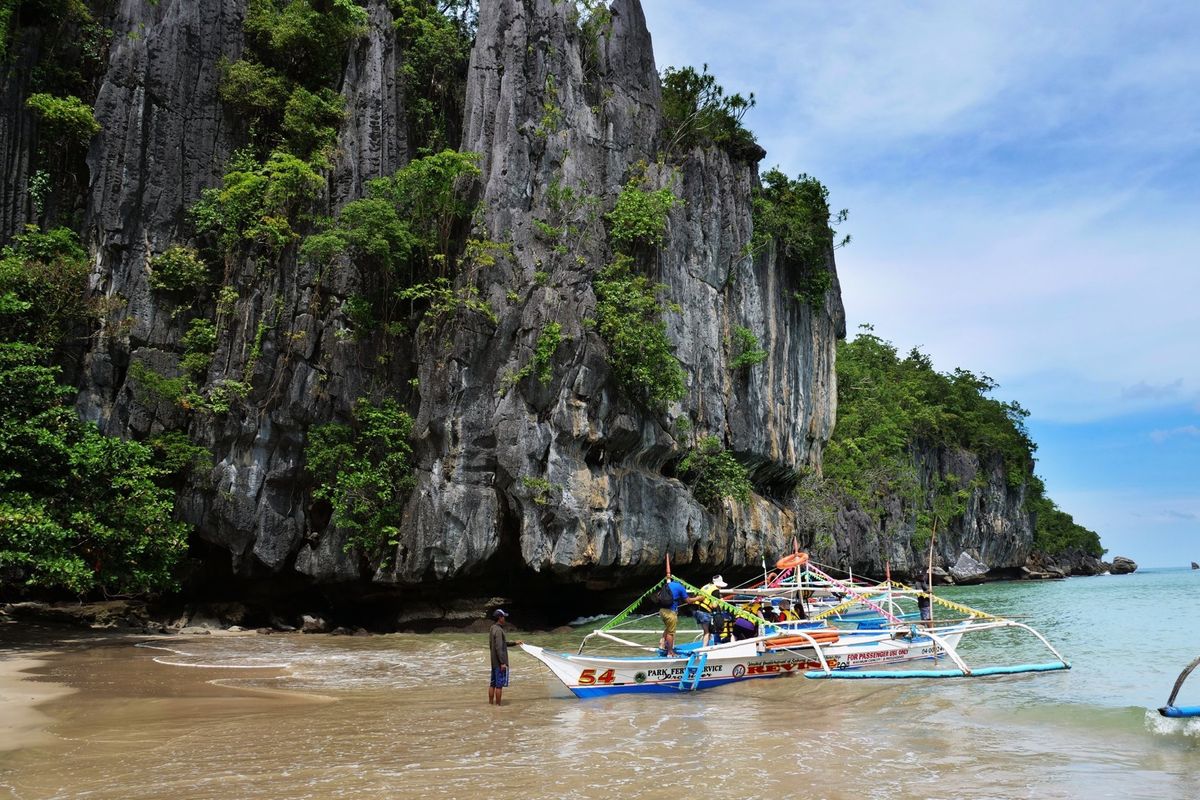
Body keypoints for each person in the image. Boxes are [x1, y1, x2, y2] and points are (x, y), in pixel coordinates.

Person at [488, 609, 523, 705]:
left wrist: (515, 643)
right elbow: (499, 647)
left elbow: (497, 644)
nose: (505, 619)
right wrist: (502, 662)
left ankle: (491, 704)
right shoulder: (499, 630)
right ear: (500, 618)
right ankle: (498, 706)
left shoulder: (492, 628)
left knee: (492, 684)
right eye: (504, 617)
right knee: (499, 686)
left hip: (493, 662)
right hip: (499, 663)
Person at [689, 575, 728, 646]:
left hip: (695, 610)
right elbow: (714, 605)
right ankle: (704, 649)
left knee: (707, 630)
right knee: (707, 632)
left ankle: (706, 646)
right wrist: (720, 601)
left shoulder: (706, 586)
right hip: (703, 612)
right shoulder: (715, 590)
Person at [658, 577, 690, 656]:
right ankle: (670, 652)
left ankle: (662, 645)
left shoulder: (667, 585)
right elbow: (688, 600)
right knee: (671, 633)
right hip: (670, 612)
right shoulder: (680, 587)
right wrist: (698, 598)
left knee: (668, 628)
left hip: (662, 611)